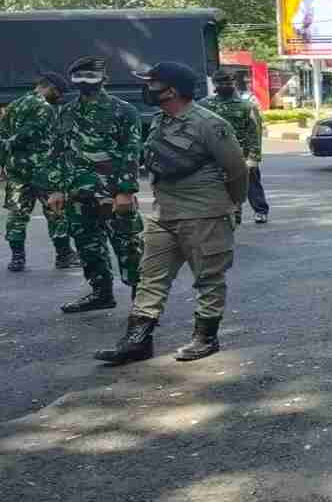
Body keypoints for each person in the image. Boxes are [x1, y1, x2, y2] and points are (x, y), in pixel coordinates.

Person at [94, 62, 248, 365]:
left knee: (208, 278)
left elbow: (237, 170)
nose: (146, 89)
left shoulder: (210, 124)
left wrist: (232, 205)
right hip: (164, 214)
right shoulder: (159, 120)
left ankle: (206, 338)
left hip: (204, 214)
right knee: (150, 277)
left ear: (171, 90)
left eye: (151, 83)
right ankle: (137, 341)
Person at [50, 57, 145, 314]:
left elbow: (131, 152)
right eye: (79, 77)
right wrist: (57, 189)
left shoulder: (123, 110)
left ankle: (143, 303)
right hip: (77, 194)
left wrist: (125, 191)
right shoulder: (66, 111)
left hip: (111, 194)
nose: (84, 82)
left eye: (90, 76)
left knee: (128, 246)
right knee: (87, 246)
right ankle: (101, 293)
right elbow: (59, 152)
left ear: (104, 79)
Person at [1, 71, 78, 271]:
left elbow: (3, 137)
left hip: (17, 170)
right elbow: (53, 142)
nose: (60, 98)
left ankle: (17, 258)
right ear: (49, 87)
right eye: (59, 93)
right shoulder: (46, 108)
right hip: (44, 171)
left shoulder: (14, 105)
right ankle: (64, 255)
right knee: (56, 212)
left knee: (17, 215)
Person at [199, 69, 268, 224]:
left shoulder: (246, 106)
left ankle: (260, 210)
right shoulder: (205, 105)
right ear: (215, 84)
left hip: (242, 153)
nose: (225, 85)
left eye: (229, 82)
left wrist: (253, 157)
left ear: (234, 83)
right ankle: (233, 216)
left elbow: (255, 132)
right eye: (222, 83)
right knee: (223, 186)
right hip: (216, 155)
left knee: (251, 183)